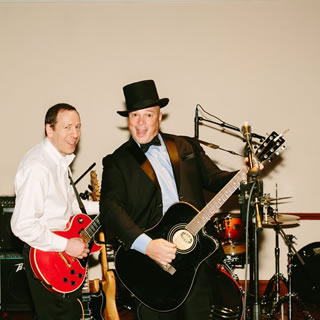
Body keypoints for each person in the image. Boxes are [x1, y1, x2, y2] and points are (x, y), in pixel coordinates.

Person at [99, 79, 255, 320]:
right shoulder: (117, 161)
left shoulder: (186, 146)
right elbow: (110, 209)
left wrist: (244, 175)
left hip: (195, 258)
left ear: (159, 117)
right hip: (150, 267)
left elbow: (215, 179)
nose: (140, 123)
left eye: (148, 115)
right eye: (134, 116)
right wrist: (148, 246)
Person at [11, 103, 99, 320]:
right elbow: (21, 224)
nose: (75, 134)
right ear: (49, 130)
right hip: (48, 258)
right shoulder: (38, 167)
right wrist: (67, 245)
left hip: (62, 257)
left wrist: (108, 207)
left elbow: (72, 207)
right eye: (67, 127)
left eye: (78, 127)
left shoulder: (59, 162)